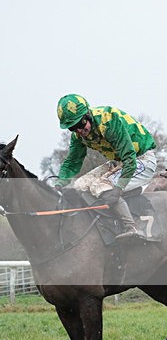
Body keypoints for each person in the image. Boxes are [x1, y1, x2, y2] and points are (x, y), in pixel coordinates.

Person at [56, 94, 157, 242]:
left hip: (141, 160)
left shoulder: (108, 121)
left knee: (100, 185)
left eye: (80, 124)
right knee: (79, 185)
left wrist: (118, 188)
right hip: (119, 162)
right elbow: (72, 162)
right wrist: (59, 183)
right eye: (72, 128)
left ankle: (132, 227)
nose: (78, 130)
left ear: (88, 115)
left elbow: (129, 159)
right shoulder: (78, 136)